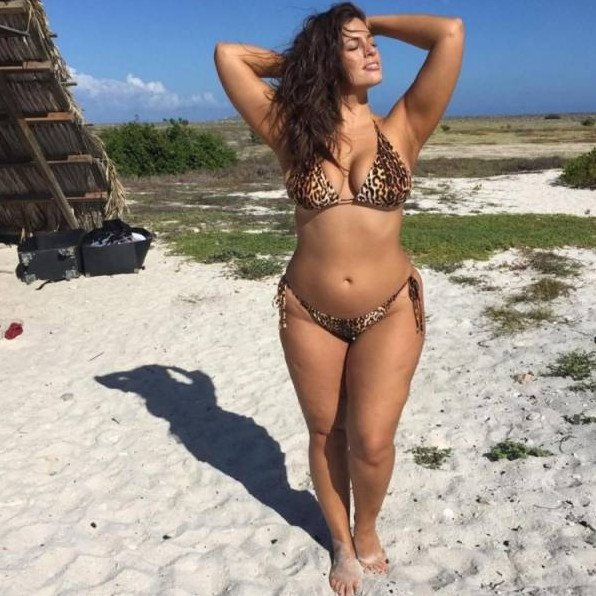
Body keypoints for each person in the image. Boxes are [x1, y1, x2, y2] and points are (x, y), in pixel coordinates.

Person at [214, 3, 464, 594]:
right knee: (327, 433)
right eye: (353, 46)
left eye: (369, 42)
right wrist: (313, 60)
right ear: (328, 61)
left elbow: (448, 34)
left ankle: (367, 527)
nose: (370, 50)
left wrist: (367, 23)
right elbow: (229, 56)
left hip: (390, 307)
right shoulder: (290, 129)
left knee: (372, 441)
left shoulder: (404, 125)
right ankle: (341, 543)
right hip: (309, 310)